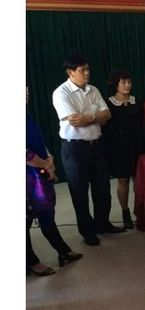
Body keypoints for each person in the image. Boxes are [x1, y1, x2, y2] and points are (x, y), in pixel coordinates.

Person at [52, 54, 125, 247]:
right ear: (70, 72)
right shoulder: (61, 93)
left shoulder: (94, 90)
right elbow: (75, 120)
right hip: (74, 148)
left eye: (87, 69)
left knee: (102, 188)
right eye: (82, 70)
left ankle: (102, 223)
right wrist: (95, 117)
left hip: (96, 146)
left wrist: (90, 118)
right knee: (79, 191)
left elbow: (107, 114)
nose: (86, 73)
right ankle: (87, 231)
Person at [27, 87, 83, 275]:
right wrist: (45, 164)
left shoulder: (26, 116)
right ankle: (31, 262)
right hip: (27, 177)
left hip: (39, 172)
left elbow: (38, 143)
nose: (27, 92)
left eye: (27, 89)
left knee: (46, 213)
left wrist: (49, 159)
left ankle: (63, 251)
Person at [102, 69, 144, 229]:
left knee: (138, 180)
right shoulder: (109, 103)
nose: (127, 85)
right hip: (118, 147)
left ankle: (140, 211)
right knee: (123, 180)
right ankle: (125, 211)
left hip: (137, 145)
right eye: (123, 82)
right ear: (116, 84)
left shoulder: (137, 101)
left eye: (129, 82)